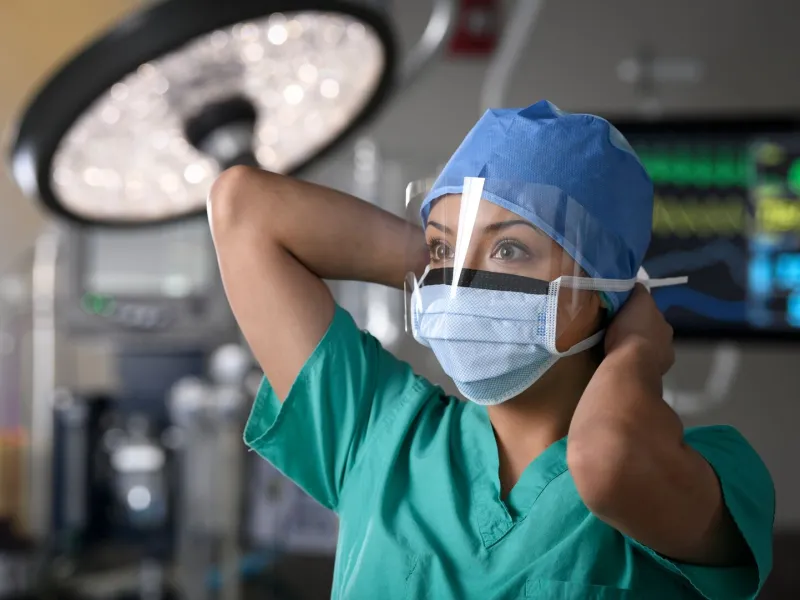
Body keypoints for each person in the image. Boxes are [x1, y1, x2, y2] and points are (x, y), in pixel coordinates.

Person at [207, 101, 774, 599]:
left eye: (509, 249)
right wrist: (444, 263)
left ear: (602, 288)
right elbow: (243, 205)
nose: (459, 286)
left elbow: (606, 462)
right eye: (443, 251)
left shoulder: (716, 470)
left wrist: (638, 350)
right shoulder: (378, 434)